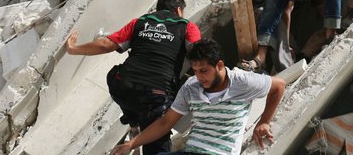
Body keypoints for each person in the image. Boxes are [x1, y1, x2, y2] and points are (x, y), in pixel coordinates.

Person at [65, 0, 201, 155]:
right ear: (179, 11)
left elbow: (105, 45)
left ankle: (133, 122)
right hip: (156, 97)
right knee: (157, 146)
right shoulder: (186, 26)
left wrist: (73, 49)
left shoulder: (140, 22)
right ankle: (138, 124)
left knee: (114, 76)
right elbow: (199, 52)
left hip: (123, 87)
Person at [109, 38, 286, 155]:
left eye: (204, 71)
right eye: (195, 71)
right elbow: (165, 122)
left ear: (220, 65)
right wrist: (132, 144)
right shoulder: (191, 87)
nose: (200, 77)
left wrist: (264, 121)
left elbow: (279, 85)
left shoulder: (243, 81)